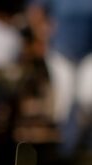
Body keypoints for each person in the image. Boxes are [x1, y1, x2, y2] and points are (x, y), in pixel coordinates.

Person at [28, 0, 92, 155]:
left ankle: (86, 140)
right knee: (66, 99)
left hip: (88, 51)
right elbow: (35, 11)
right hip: (60, 52)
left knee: (88, 97)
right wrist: (41, 34)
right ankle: (67, 144)